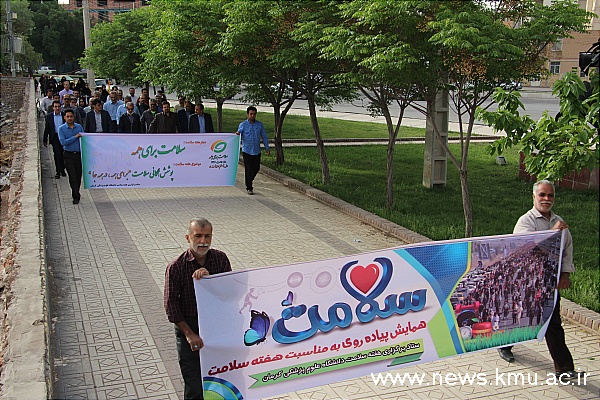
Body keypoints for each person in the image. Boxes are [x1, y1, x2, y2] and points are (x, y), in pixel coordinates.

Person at [498, 180, 585, 382]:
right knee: (521, 316)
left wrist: (565, 274)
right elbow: (527, 247)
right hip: (527, 282)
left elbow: (567, 249)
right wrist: (553, 232)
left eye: (550, 195)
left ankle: (564, 369)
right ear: (534, 197)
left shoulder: (559, 220)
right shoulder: (525, 221)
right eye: (542, 195)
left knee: (553, 323)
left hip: (549, 282)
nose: (546, 199)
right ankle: (504, 344)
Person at [164, 218, 232, 399]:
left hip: (215, 327)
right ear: (188, 238)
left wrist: (211, 281)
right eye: (198, 236)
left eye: (207, 236)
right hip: (190, 327)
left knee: (222, 379)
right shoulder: (176, 267)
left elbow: (229, 292)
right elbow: (171, 306)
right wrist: (189, 334)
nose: (203, 241)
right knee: (194, 384)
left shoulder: (220, 259)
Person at [235, 106, 270, 195]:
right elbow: (239, 134)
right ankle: (249, 187)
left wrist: (267, 148)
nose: (252, 116)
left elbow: (264, 136)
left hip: (256, 151)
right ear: (247, 114)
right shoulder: (243, 124)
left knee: (256, 168)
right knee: (248, 169)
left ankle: (249, 180)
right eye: (251, 114)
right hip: (247, 151)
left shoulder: (259, 125)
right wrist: (238, 134)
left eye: (254, 114)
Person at [58, 109, 84, 204]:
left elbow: (84, 139)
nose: (69, 118)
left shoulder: (79, 127)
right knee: (72, 176)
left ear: (74, 117)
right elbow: (63, 142)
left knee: (78, 176)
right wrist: (75, 137)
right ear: (64, 117)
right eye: (67, 116)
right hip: (68, 155)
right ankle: (75, 196)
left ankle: (77, 191)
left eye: (71, 116)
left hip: (79, 155)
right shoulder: (61, 129)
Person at [43, 100, 66, 179]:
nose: (57, 108)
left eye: (58, 106)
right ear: (53, 107)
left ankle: (62, 169)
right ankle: (58, 171)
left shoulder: (64, 115)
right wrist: (45, 139)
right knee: (57, 154)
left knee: (63, 154)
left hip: (63, 136)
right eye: (55, 107)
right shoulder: (49, 116)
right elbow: (47, 128)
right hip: (55, 137)